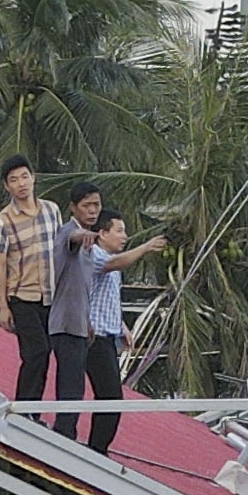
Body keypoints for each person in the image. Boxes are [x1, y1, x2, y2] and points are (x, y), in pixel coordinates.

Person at [45, 181, 167, 449]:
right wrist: (145, 248)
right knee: (97, 393)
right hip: (92, 335)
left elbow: (103, 296)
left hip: (104, 334)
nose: (124, 237)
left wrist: (121, 326)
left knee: (99, 394)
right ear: (102, 233)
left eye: (96, 205)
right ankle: (90, 447)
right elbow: (99, 256)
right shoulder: (92, 250)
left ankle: (93, 446)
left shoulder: (95, 253)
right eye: (119, 231)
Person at [0, 155, 60, 406]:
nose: (21, 184)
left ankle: (33, 411)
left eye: (24, 176)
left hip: (50, 296)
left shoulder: (52, 210)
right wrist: (3, 307)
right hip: (21, 296)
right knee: (35, 351)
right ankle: (21, 408)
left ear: (33, 177)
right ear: (7, 187)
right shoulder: (2, 221)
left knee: (46, 353)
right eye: (14, 180)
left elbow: (60, 250)